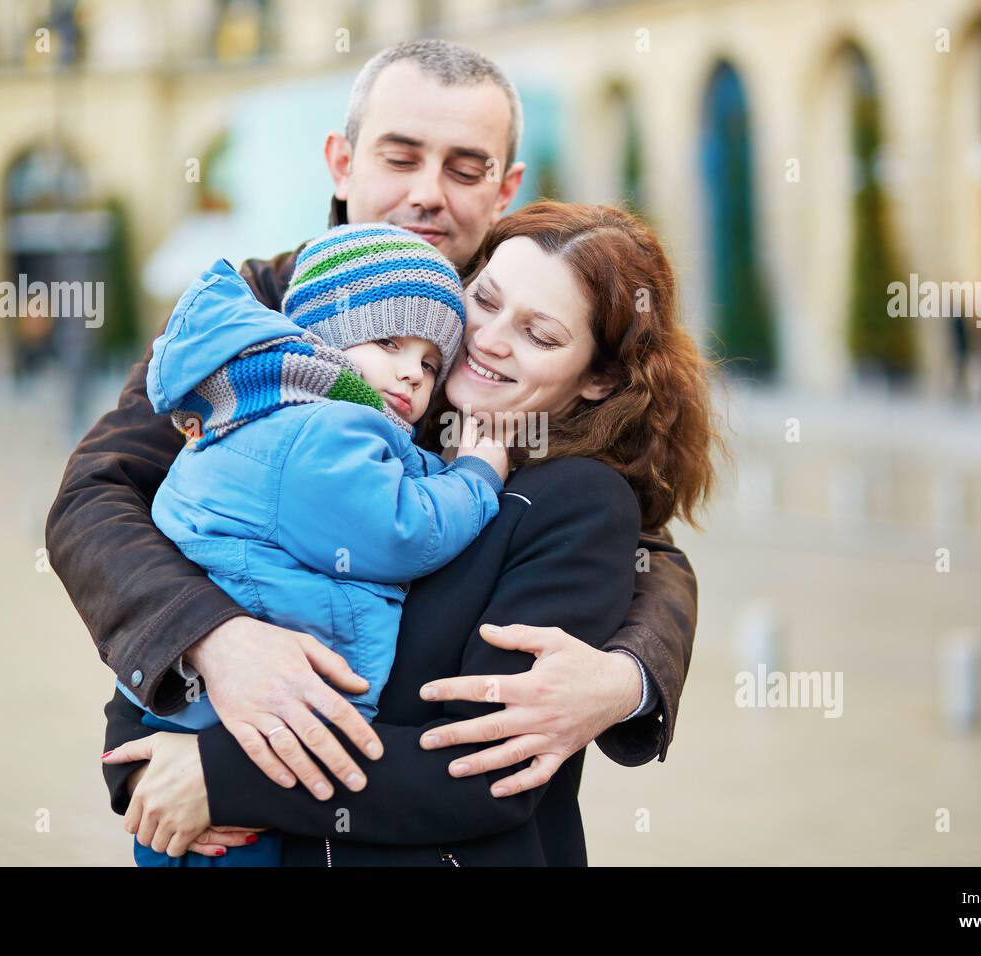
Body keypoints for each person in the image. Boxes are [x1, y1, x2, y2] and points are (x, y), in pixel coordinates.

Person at [47, 39, 699, 829]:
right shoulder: (254, 320)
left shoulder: (513, 339)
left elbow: (630, 534)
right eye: (401, 157)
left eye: (465, 168)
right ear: (341, 162)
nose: (428, 194)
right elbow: (99, 501)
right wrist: (211, 644)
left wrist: (628, 676)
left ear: (505, 189)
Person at [102, 201, 722, 865]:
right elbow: (190, 568)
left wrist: (219, 778)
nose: (488, 339)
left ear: (598, 379)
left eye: (540, 335)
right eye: (485, 299)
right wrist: (140, 764)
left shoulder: (577, 502)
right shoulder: (365, 419)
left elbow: (486, 773)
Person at [121, 224, 508, 865]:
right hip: (237, 739)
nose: (412, 374)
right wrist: (478, 475)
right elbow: (400, 530)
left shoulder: (283, 409)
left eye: (430, 362)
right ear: (325, 335)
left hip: (221, 728)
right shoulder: (320, 431)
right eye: (389, 341)